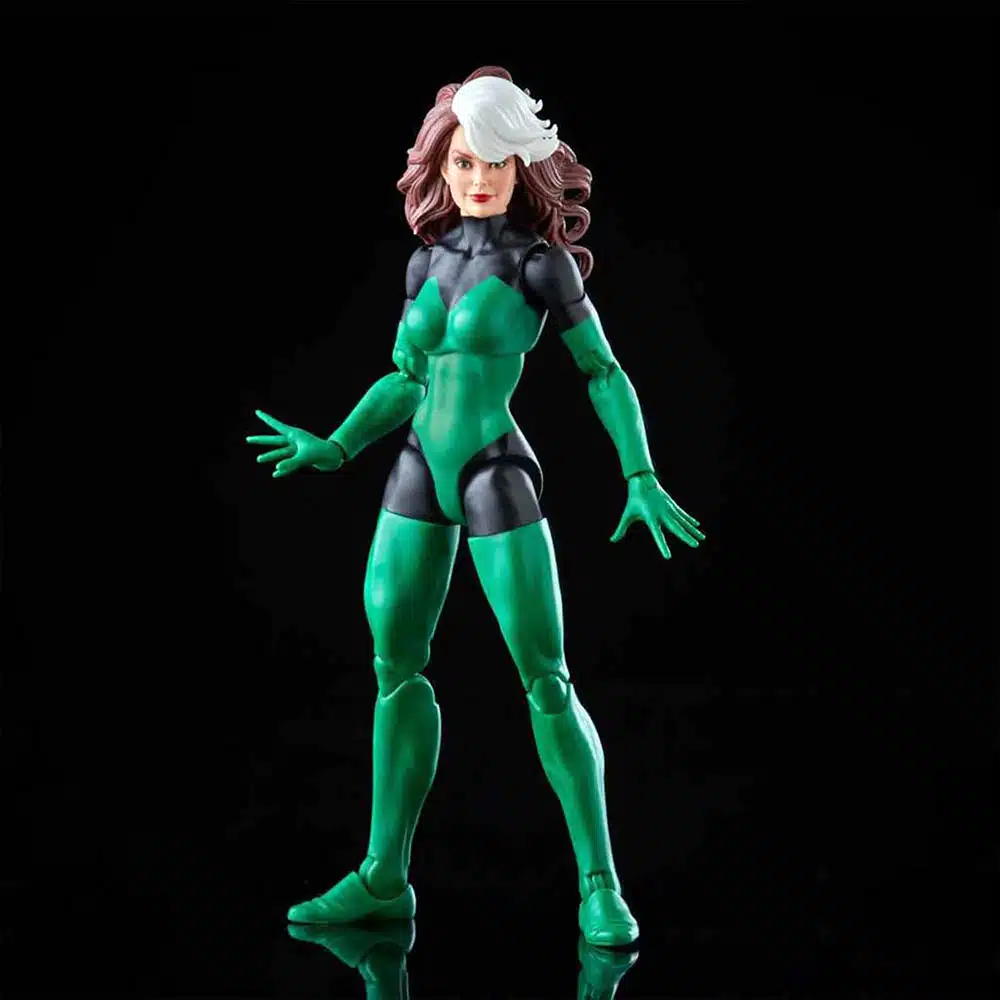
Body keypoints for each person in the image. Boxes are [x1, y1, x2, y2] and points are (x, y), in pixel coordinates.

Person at [247, 66, 704, 948]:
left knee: (546, 679)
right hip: (418, 468)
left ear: (519, 164)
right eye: (464, 160)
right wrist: (336, 444)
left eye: (495, 159)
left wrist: (640, 472)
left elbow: (602, 370)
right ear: (443, 166)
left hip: (495, 469)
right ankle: (383, 877)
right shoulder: (425, 260)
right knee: (394, 669)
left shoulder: (540, 264)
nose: (479, 176)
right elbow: (406, 377)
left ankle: (600, 884)